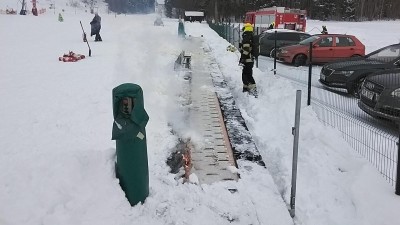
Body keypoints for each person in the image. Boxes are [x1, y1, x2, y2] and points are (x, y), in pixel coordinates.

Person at [239, 23, 257, 96]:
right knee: (247, 74)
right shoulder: (251, 37)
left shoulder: (246, 37)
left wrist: (243, 58)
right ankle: (246, 87)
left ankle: (252, 88)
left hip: (247, 60)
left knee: (246, 74)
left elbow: (246, 50)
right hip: (250, 59)